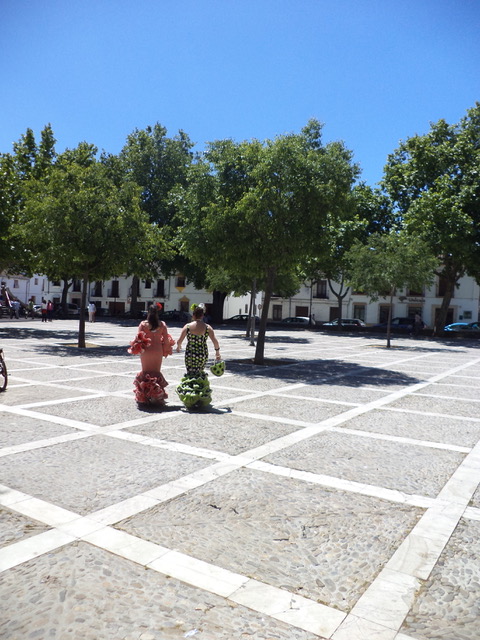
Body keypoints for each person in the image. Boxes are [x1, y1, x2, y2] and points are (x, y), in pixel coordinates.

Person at [129, 304, 175, 405]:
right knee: (156, 372)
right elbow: (166, 341)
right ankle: (156, 395)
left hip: (146, 351)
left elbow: (138, 339)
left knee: (146, 372)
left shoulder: (143, 324)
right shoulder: (162, 324)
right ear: (157, 313)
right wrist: (167, 350)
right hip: (158, 350)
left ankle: (144, 396)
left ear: (148, 312)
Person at [176, 304, 221, 374]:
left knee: (190, 373)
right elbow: (215, 342)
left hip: (190, 353)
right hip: (202, 353)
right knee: (200, 372)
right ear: (202, 316)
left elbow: (179, 341)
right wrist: (217, 353)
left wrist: (178, 347)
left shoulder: (187, 326)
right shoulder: (207, 327)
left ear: (193, 315)